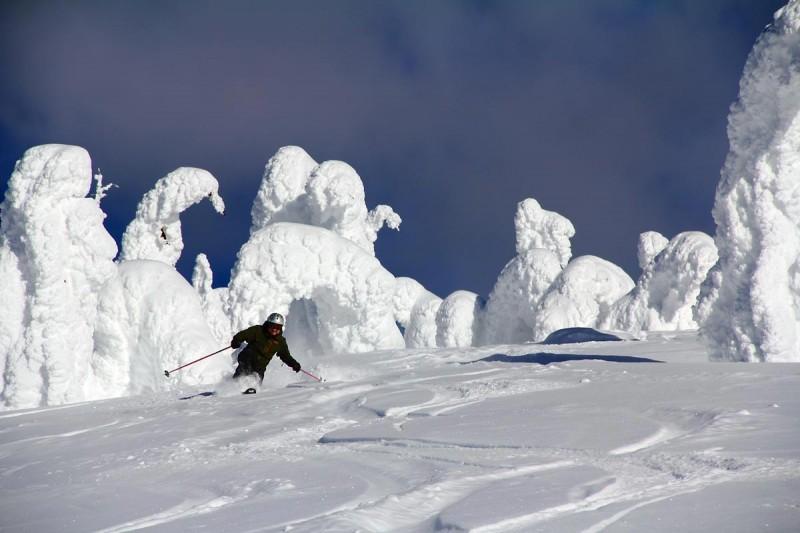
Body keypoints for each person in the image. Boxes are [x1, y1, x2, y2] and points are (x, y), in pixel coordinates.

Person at [231, 313, 301, 383]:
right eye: (272, 326)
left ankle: (253, 390)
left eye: (277, 327)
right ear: (268, 325)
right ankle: (235, 385)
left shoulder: (280, 341)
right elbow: (243, 335)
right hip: (247, 359)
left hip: (260, 366)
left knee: (257, 378)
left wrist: (294, 364)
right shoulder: (258, 330)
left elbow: (285, 356)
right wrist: (236, 341)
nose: (274, 329)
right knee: (245, 371)